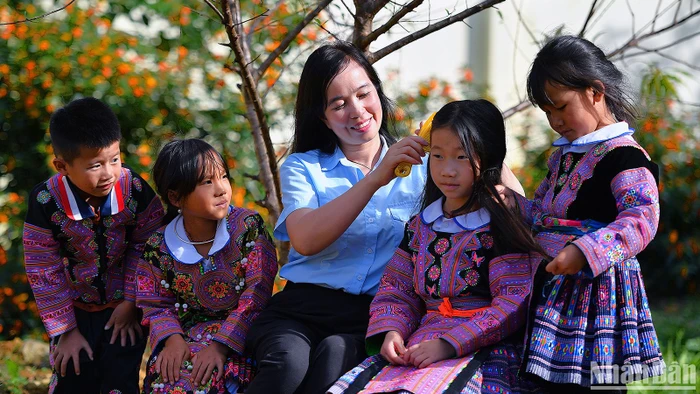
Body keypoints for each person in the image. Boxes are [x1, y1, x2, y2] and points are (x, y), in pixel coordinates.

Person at [243, 41, 431, 394]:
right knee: (287, 365)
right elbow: (306, 239)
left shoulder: (425, 167)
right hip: (301, 309)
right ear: (322, 116)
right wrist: (377, 177)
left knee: (334, 358)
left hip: (373, 316)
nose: (357, 111)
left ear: (378, 91)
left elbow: (489, 176)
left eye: (364, 94)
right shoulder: (303, 166)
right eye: (339, 104)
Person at [328, 99, 545, 394]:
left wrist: (448, 344)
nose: (447, 170)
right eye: (439, 156)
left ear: (489, 156)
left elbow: (512, 301)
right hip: (420, 345)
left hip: (483, 350)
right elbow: (397, 288)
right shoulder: (421, 226)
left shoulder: (501, 223)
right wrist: (392, 330)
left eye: (461, 157)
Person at [512, 35, 665, 392]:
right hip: (554, 291)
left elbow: (641, 217)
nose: (555, 121)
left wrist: (585, 251)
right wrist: (507, 199)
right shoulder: (563, 156)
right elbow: (543, 212)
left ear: (595, 92)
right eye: (547, 112)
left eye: (560, 107)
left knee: (595, 385)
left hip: (598, 300)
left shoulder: (626, 157)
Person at [23, 97, 165, 393]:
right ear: (62, 165)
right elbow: (43, 268)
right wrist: (66, 332)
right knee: (72, 376)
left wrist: (130, 302)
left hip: (125, 311)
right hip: (72, 310)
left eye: (115, 159)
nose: (109, 173)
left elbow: (149, 247)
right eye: (95, 165)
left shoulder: (135, 190)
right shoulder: (45, 202)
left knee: (121, 381)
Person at [136, 139, 278, 394]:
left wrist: (220, 347)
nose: (222, 189)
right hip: (186, 338)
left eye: (223, 176)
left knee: (211, 381)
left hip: (243, 338)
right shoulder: (158, 246)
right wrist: (173, 340)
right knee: (167, 381)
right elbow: (154, 303)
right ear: (176, 197)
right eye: (206, 182)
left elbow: (256, 294)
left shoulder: (247, 227)